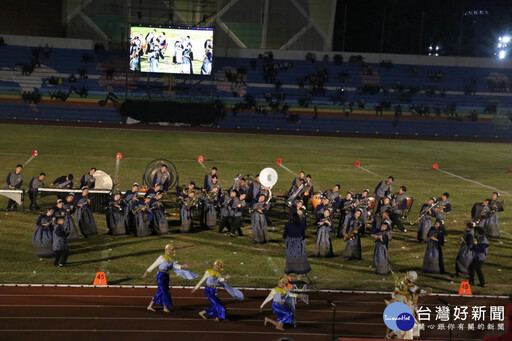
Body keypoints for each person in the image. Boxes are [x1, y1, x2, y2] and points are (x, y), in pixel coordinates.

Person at [142, 244, 198, 313]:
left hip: (166, 276)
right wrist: (146, 272)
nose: (170, 251)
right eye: (168, 249)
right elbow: (154, 265)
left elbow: (176, 266)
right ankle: (165, 307)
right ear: (165, 250)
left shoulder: (171, 260)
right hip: (160, 276)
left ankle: (150, 306)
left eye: (171, 250)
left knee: (161, 291)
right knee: (164, 291)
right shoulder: (161, 257)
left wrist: (183, 266)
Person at [283, 212, 311, 278]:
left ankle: (286, 277)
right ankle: (299, 278)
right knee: (299, 259)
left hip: (290, 243)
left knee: (290, 258)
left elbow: (284, 235)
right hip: (298, 243)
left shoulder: (288, 225)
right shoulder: (301, 226)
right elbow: (304, 236)